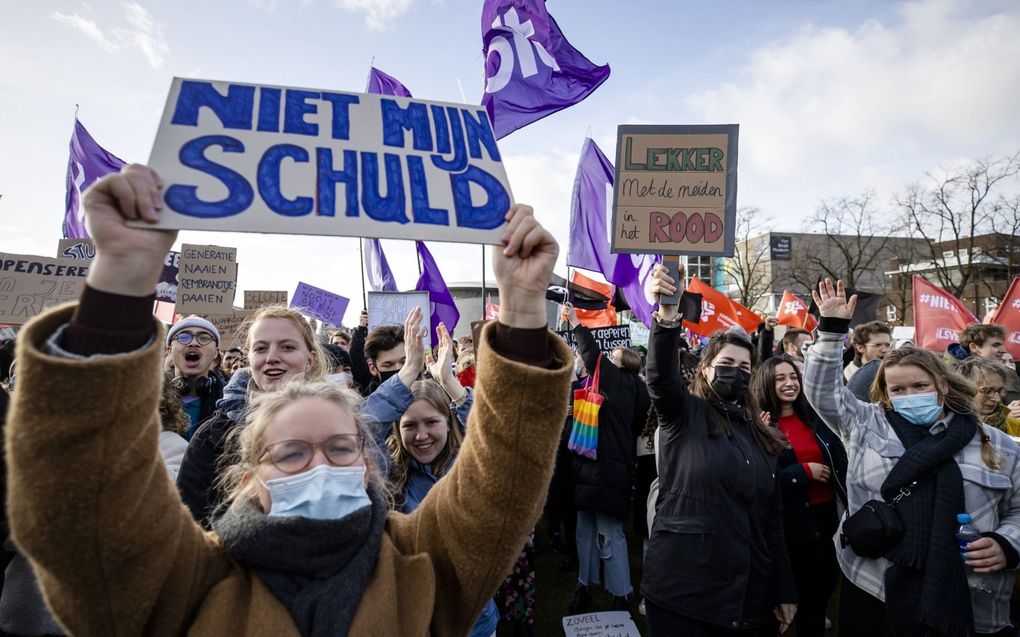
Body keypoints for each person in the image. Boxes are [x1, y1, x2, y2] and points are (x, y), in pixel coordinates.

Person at [5, 164, 571, 636]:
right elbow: (84, 507)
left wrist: (522, 308)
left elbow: (505, 472)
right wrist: (118, 286)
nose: (322, 466)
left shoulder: (420, 565)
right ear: (250, 476)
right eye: (293, 453)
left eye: (341, 448)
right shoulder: (192, 583)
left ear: (370, 462)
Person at [804, 278, 1020, 637]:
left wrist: (1008, 543)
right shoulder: (866, 425)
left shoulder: (997, 444)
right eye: (898, 389)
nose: (909, 395)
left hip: (972, 595)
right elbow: (823, 393)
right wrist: (830, 330)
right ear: (886, 395)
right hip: (875, 588)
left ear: (943, 386)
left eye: (920, 386)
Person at [642, 263, 796, 636]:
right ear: (705, 368)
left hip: (749, 597)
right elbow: (661, 377)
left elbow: (771, 521)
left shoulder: (761, 435)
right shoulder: (684, 415)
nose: (736, 372)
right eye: (726, 363)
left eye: (745, 367)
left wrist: (784, 588)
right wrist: (667, 313)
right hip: (686, 595)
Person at [373, 322, 498, 637]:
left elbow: (500, 441)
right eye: (410, 426)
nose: (422, 435)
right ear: (397, 430)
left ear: (449, 422)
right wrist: (405, 376)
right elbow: (357, 431)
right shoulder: (389, 473)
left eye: (432, 422)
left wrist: (449, 382)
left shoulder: (470, 466)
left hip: (475, 624)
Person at [176, 302, 329, 527]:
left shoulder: (342, 427)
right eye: (261, 348)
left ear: (310, 359)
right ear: (249, 358)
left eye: (287, 347)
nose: (272, 357)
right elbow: (190, 531)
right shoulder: (213, 437)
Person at [562, 304, 650, 614]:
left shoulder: (616, 380)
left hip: (601, 469)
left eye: (611, 359)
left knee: (603, 533)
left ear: (620, 365)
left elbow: (591, 354)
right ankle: (595, 589)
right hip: (605, 468)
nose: (605, 363)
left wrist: (575, 322)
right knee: (590, 530)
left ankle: (616, 591)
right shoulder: (638, 390)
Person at [752, 356, 847, 637]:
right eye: (780, 378)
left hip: (826, 519)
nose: (789, 383)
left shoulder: (815, 418)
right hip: (788, 525)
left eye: (793, 376)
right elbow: (755, 480)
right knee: (785, 599)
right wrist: (801, 472)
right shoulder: (759, 422)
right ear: (767, 383)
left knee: (818, 598)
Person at [166, 315, 226, 438]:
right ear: (169, 350)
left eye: (204, 338)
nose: (193, 343)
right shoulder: (147, 400)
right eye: (183, 337)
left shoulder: (231, 405)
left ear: (215, 353)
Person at [957, 357, 1020, 436]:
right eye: (987, 391)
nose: (997, 399)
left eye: (1000, 391)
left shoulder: (1016, 427)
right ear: (964, 389)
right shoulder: (947, 426)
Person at [958, 324, 1020, 404]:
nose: (1003, 350)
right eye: (995, 345)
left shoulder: (1009, 373)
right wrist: (1005, 413)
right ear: (974, 347)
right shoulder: (954, 377)